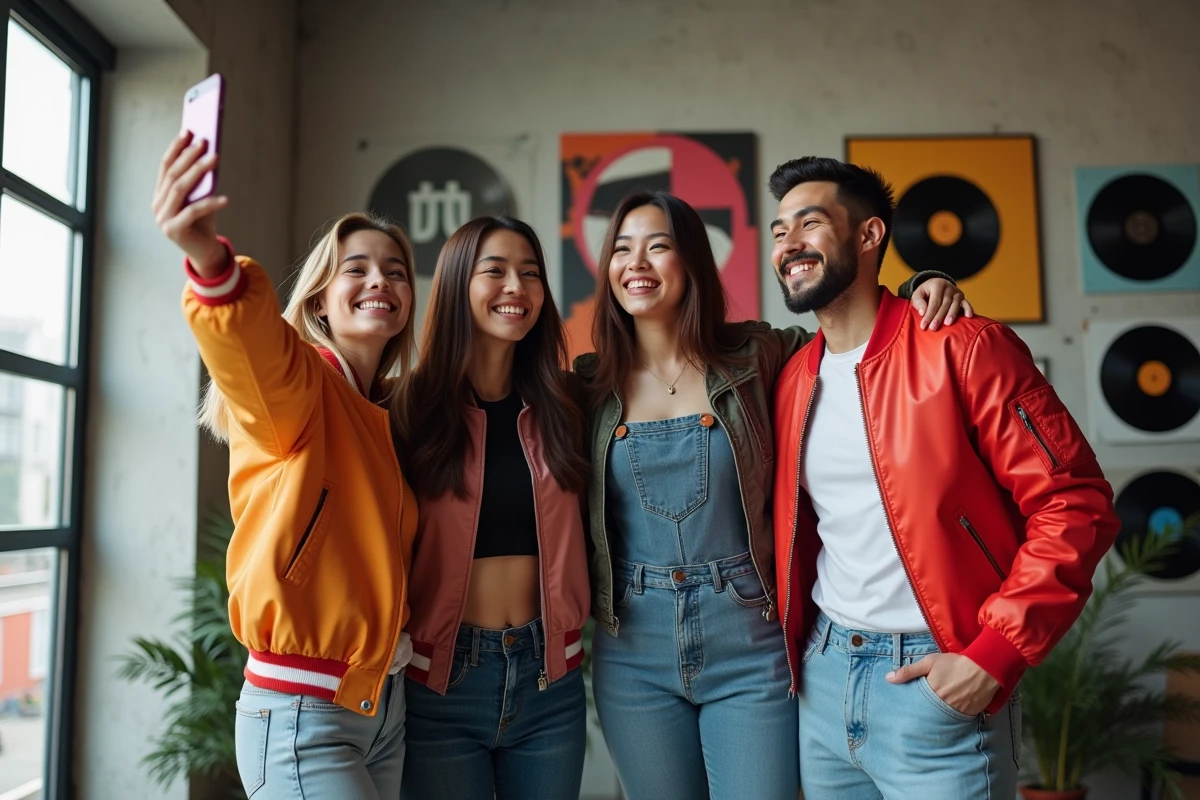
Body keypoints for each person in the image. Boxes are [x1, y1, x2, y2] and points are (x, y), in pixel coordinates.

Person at [574, 190, 970, 799]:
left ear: (694, 264)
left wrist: (927, 280)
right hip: (632, 648)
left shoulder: (760, 355)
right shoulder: (585, 387)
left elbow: (851, 326)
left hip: (749, 640)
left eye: (659, 246)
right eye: (621, 250)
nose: (637, 264)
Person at [768, 156, 1120, 799]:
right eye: (778, 230)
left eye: (809, 223)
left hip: (936, 684)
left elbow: (1075, 502)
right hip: (823, 678)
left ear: (870, 235)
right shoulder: (792, 378)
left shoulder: (962, 347)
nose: (788, 243)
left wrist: (995, 654)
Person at [152, 132, 418, 798]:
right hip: (304, 715)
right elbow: (251, 345)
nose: (380, 279)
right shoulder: (299, 390)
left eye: (396, 269)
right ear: (321, 298)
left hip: (381, 708)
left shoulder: (382, 415)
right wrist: (208, 260)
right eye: (357, 267)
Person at [398, 217, 591, 800]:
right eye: (496, 271)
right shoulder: (410, 405)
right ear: (459, 283)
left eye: (530, 274)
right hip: (442, 679)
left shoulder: (565, 404)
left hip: (549, 678)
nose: (516, 287)